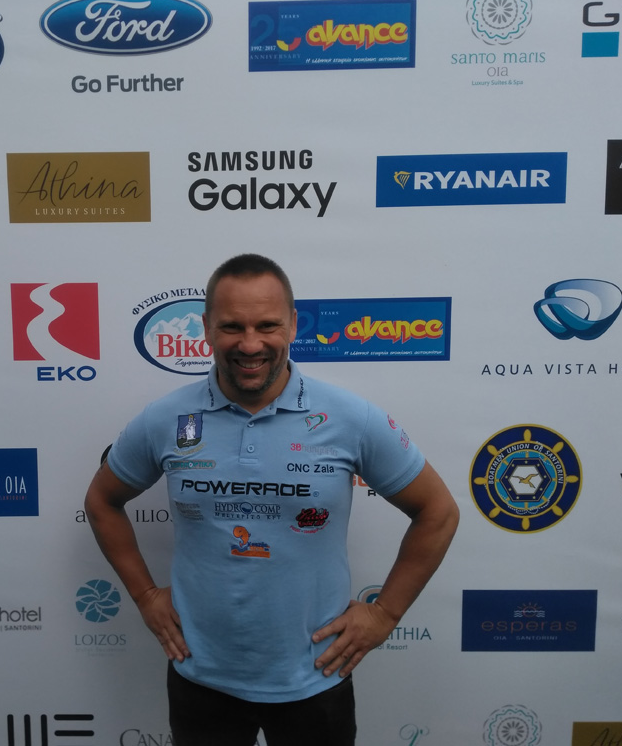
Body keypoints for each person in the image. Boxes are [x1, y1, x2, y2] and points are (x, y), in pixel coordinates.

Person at [84, 254, 459, 745]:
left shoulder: (350, 417)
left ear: (293, 325)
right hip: (201, 677)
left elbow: (438, 512)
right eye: (231, 327)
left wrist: (384, 614)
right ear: (206, 328)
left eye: (267, 325)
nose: (250, 344)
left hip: (316, 678)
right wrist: (145, 596)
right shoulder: (166, 419)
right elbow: (102, 501)